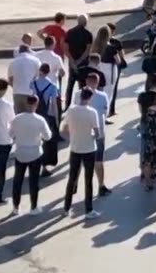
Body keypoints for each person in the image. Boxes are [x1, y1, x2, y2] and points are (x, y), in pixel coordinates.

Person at [62, 87, 102, 219]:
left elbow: (65, 129)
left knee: (72, 178)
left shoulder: (71, 110)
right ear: (90, 98)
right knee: (88, 180)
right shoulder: (92, 112)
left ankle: (66, 207)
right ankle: (88, 209)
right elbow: (97, 134)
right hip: (89, 148)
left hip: (75, 147)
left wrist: (73, 135)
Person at [9, 96, 52, 215]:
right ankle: (33, 207)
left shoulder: (17, 119)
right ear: (36, 105)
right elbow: (48, 136)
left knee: (18, 180)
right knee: (34, 181)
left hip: (20, 152)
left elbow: (10, 134)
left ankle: (16, 207)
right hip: (35, 153)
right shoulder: (40, 120)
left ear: (26, 104)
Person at [33, 63, 61, 175]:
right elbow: (54, 104)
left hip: (35, 113)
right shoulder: (52, 86)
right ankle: (44, 166)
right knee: (47, 141)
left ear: (40, 70)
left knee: (35, 139)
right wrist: (57, 119)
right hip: (47, 115)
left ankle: (34, 164)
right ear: (48, 72)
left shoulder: (33, 83)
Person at [8, 44, 41, 109]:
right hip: (31, 93)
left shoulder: (13, 62)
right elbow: (39, 76)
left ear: (19, 51)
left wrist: (15, 87)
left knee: (18, 116)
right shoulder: (36, 61)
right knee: (30, 115)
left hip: (17, 92)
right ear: (28, 51)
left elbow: (10, 79)